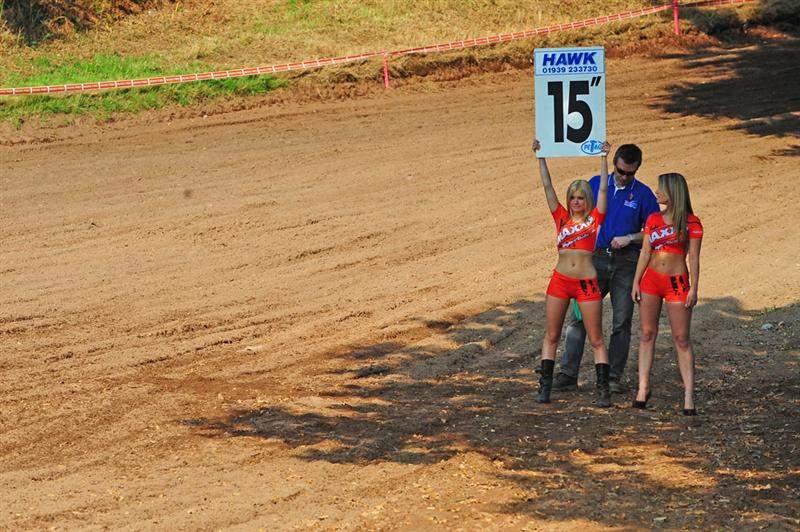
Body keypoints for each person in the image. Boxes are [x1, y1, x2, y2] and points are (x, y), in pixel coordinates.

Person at [551, 144, 659, 394]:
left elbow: (653, 231)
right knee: (579, 316)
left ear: (637, 170)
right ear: (615, 165)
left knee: (622, 320)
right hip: (595, 259)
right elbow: (578, 214)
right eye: (620, 171)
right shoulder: (596, 183)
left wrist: (630, 237)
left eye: (629, 173)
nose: (623, 176)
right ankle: (568, 373)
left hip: (626, 262)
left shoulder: (643, 195)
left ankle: (612, 376)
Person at [531, 139, 612, 407]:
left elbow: (603, 188)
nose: (576, 201)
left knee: (596, 337)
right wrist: (540, 156)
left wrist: (603, 158)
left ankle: (603, 390)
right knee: (551, 335)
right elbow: (547, 187)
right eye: (573, 197)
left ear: (587, 199)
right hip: (560, 280)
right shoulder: (561, 217)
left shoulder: (596, 218)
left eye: (580, 197)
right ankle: (545, 387)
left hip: (587, 283)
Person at [631, 173, 703, 415]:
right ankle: (643, 387)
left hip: (677, 282)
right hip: (651, 280)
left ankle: (689, 394)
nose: (657, 192)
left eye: (661, 188)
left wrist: (694, 287)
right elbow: (645, 252)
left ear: (673, 193)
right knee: (647, 333)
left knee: (681, 338)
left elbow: (693, 256)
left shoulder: (692, 222)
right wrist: (636, 281)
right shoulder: (653, 219)